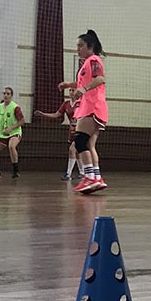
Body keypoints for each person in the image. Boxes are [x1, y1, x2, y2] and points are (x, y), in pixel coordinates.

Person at [60, 30, 108, 194]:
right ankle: (96, 177)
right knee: (88, 144)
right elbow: (85, 81)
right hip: (95, 106)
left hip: (91, 106)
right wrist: (69, 85)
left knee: (79, 142)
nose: (78, 49)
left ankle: (88, 178)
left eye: (80, 46)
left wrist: (84, 89)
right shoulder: (86, 63)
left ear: (90, 46)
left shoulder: (93, 60)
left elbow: (100, 78)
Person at [34, 87, 81, 180]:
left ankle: (68, 174)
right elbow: (56, 115)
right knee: (77, 151)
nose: (71, 92)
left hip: (81, 130)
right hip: (72, 130)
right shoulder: (66, 104)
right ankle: (83, 173)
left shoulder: (81, 103)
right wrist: (43, 114)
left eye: (73, 90)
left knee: (72, 149)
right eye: (70, 90)